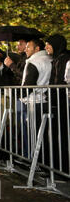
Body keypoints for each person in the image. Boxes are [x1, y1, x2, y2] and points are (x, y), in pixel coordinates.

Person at [19, 39, 52, 159]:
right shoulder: (50, 59)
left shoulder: (34, 62)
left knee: (31, 133)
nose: (25, 49)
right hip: (45, 100)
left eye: (28, 47)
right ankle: (41, 160)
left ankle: (31, 159)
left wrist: (19, 95)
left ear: (37, 49)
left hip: (33, 101)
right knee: (43, 134)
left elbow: (28, 85)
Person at [45, 34, 70, 175]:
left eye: (48, 44)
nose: (46, 47)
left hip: (62, 104)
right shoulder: (58, 59)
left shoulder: (63, 59)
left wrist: (52, 98)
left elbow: (58, 83)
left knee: (61, 136)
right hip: (59, 104)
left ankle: (62, 168)